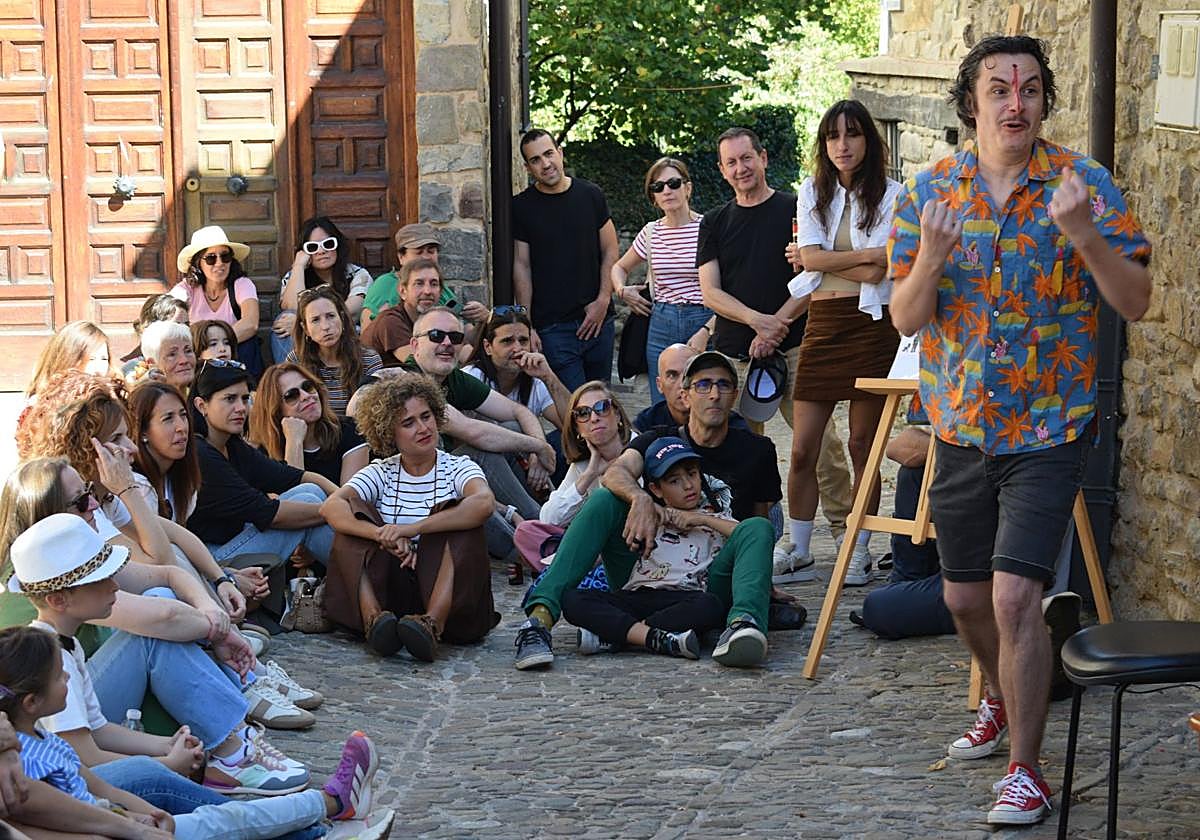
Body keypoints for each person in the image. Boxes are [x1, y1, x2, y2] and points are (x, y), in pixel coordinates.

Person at [887, 35, 1152, 826]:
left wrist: (1085, 238)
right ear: (971, 102)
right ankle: (1001, 697)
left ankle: (1026, 771)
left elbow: (1135, 301)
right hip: (960, 425)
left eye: (1031, 90)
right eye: (999, 89)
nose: (1016, 103)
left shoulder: (1083, 185)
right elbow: (905, 316)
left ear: (1044, 102)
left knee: (1013, 599)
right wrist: (930, 258)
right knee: (964, 597)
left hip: (1050, 427)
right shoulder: (931, 190)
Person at [0, 471, 314, 793]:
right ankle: (233, 743)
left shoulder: (65, 616)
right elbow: (83, 759)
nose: (94, 503)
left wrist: (165, 746)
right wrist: (219, 630)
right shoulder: (56, 644)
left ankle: (233, 736)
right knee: (153, 633)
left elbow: (168, 568)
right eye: (80, 501)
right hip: (74, 776)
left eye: (92, 492)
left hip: (90, 730)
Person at [0, 594, 387, 838]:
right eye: (100, 578)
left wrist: (156, 776)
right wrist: (143, 806)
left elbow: (94, 776)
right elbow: (60, 797)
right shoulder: (28, 756)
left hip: (115, 817)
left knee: (220, 821)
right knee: (214, 819)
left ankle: (315, 804)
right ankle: (325, 811)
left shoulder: (37, 732)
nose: (114, 586)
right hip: (110, 825)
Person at [514, 351, 778, 671]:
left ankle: (742, 624)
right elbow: (614, 474)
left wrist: (759, 582)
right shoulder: (659, 439)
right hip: (645, 566)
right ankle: (539, 621)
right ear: (685, 394)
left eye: (723, 385)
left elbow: (760, 521)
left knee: (757, 530)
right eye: (704, 384)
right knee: (603, 501)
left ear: (734, 395)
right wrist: (641, 500)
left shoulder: (757, 450)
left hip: (710, 577)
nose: (714, 394)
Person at [696, 126, 854, 568]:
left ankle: (846, 535)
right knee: (738, 454)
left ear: (763, 158)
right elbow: (710, 292)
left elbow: (816, 277)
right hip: (734, 357)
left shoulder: (796, 210)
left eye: (747, 158)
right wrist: (756, 322)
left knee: (821, 446)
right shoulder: (715, 221)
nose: (741, 168)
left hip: (798, 347)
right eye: (731, 162)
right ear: (722, 170)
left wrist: (778, 324)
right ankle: (742, 542)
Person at [777, 100, 904, 586]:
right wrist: (838, 259)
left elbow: (882, 268)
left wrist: (820, 259)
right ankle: (802, 548)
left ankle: (858, 548)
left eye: (852, 135)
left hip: (873, 322)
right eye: (833, 136)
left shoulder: (893, 194)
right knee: (805, 447)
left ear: (868, 140)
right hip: (825, 321)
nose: (842, 145)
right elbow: (814, 257)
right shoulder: (812, 190)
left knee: (861, 444)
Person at [321, 374, 499, 661]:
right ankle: (374, 621)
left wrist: (411, 529)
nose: (423, 428)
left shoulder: (458, 467)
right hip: (395, 589)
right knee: (353, 519)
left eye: (426, 416)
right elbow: (331, 506)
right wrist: (381, 534)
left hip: (450, 594)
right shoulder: (381, 470)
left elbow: (483, 503)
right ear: (389, 433)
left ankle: (431, 625)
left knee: (460, 519)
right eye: (409, 423)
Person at [562, 436, 731, 659]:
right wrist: (650, 510)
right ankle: (656, 639)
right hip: (637, 595)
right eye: (674, 481)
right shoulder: (646, 516)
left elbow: (746, 533)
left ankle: (620, 636)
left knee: (710, 605)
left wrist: (701, 520)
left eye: (692, 474)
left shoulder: (715, 518)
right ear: (656, 489)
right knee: (572, 599)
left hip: (683, 598)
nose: (688, 486)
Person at [393, 307, 556, 518]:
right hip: (412, 488)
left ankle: (553, 508)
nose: (447, 343)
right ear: (415, 345)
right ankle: (543, 523)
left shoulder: (453, 379)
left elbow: (518, 411)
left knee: (513, 430)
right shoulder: (409, 381)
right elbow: (474, 432)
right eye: (436, 336)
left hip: (443, 475)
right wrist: (539, 446)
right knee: (479, 455)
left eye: (455, 337)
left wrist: (537, 452)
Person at [187, 359, 338, 573]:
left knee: (310, 491)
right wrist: (335, 512)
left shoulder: (232, 445)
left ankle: (356, 589)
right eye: (230, 399)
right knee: (307, 502)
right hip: (211, 564)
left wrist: (342, 497)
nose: (241, 408)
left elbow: (294, 477)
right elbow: (268, 513)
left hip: (234, 544)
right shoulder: (200, 453)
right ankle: (364, 587)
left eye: (244, 398)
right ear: (202, 405)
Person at [511, 128, 619, 391]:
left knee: (601, 404)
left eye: (549, 154)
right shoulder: (521, 207)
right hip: (553, 329)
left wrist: (603, 300)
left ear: (560, 153)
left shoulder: (590, 195)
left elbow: (611, 249)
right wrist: (528, 325)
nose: (545, 164)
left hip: (598, 322)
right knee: (574, 409)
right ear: (527, 168)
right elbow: (521, 266)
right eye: (536, 160)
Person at [611, 157, 711, 403]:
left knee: (704, 399)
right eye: (658, 187)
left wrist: (709, 329)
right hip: (660, 323)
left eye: (674, 183)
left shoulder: (707, 228)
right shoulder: (651, 232)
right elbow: (619, 267)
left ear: (687, 188)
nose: (667, 191)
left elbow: (728, 286)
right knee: (664, 403)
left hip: (701, 319)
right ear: (653, 197)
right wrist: (623, 291)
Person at [512, 381, 633, 573]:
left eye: (602, 408)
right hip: (591, 546)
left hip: (631, 544)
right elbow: (549, 519)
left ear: (617, 414)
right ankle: (577, 569)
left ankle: (571, 570)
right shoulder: (583, 465)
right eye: (583, 414)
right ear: (578, 429)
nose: (594, 418)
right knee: (527, 532)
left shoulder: (640, 448)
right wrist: (590, 474)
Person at [249, 363, 369, 486]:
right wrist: (294, 442)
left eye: (308, 387)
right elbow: (294, 499)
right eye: (292, 395)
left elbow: (350, 499)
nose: (306, 396)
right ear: (276, 410)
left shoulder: (350, 430)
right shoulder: (264, 454)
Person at [272, 217, 372, 362]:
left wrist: (303, 323)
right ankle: (293, 380)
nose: (321, 251)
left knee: (293, 322)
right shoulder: (294, 276)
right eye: (312, 247)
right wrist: (299, 266)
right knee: (285, 319)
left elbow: (353, 309)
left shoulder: (357, 274)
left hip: (345, 337)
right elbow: (292, 308)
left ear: (338, 246)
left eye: (328, 244)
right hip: (308, 340)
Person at [169, 226, 263, 376]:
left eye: (225, 256)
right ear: (198, 262)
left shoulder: (242, 284)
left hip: (235, 359)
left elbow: (251, 323)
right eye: (211, 258)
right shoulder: (187, 288)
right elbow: (168, 318)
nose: (219, 263)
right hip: (200, 364)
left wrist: (217, 345)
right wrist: (205, 348)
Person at [286, 285, 383, 417]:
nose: (325, 326)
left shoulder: (369, 359)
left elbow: (377, 411)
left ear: (341, 318)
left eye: (331, 316)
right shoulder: (296, 361)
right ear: (305, 329)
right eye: (315, 320)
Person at [24, 322, 112, 402]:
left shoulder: (113, 400)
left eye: (104, 359)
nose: (99, 369)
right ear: (67, 360)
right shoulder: (43, 405)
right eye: (91, 359)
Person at [121, 296, 189, 375]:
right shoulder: (133, 370)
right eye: (175, 325)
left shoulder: (191, 362)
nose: (184, 330)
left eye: (186, 325)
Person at [135, 321, 196, 393]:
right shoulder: (145, 402)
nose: (184, 360)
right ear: (152, 363)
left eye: (188, 351)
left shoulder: (204, 397)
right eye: (172, 354)